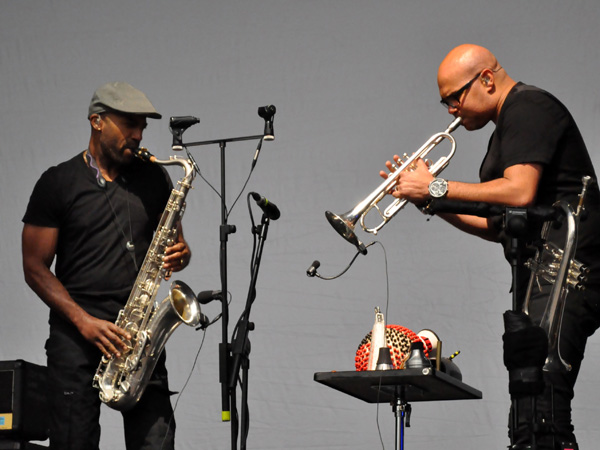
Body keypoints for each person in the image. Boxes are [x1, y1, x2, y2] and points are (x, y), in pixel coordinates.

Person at [381, 44, 600, 450]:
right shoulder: (506, 130)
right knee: (526, 411)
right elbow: (496, 225)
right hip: (539, 276)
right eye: (445, 101)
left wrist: (434, 185)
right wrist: (429, 202)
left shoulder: (529, 107)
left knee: (543, 407)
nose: (450, 109)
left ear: (485, 79)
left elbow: (518, 192)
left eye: (454, 97)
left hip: (566, 273)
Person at [22, 82, 192, 450]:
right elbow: (34, 268)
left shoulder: (154, 177)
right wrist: (83, 322)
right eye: (129, 123)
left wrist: (182, 253)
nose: (138, 134)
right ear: (97, 121)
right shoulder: (58, 182)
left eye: (142, 126)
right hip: (76, 336)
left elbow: (178, 242)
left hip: (138, 336)